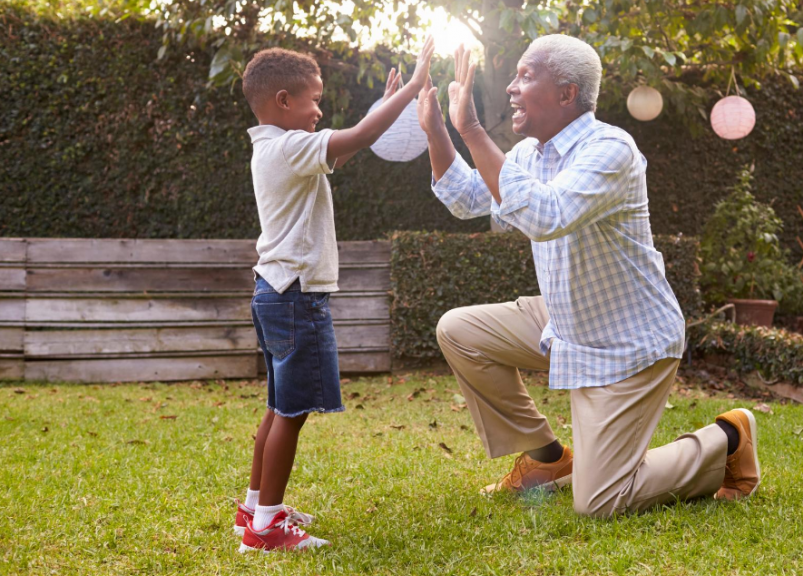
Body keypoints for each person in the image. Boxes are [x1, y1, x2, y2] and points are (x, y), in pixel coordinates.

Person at [415, 35, 760, 517]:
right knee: (459, 330)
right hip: (566, 320)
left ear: (566, 93)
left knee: (600, 502)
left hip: (627, 342)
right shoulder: (527, 155)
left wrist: (471, 128)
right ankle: (548, 460)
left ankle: (726, 439)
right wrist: (436, 131)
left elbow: (545, 215)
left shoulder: (611, 149)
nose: (512, 88)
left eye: (525, 75)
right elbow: (466, 198)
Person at [236, 37, 435, 551]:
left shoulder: (275, 148)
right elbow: (357, 135)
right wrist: (412, 89)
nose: (319, 109)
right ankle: (267, 528)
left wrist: (383, 107)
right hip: (297, 295)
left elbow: (348, 148)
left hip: (275, 290)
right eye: (313, 100)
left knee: (278, 405)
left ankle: (254, 508)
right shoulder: (289, 147)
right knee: (292, 411)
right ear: (283, 101)